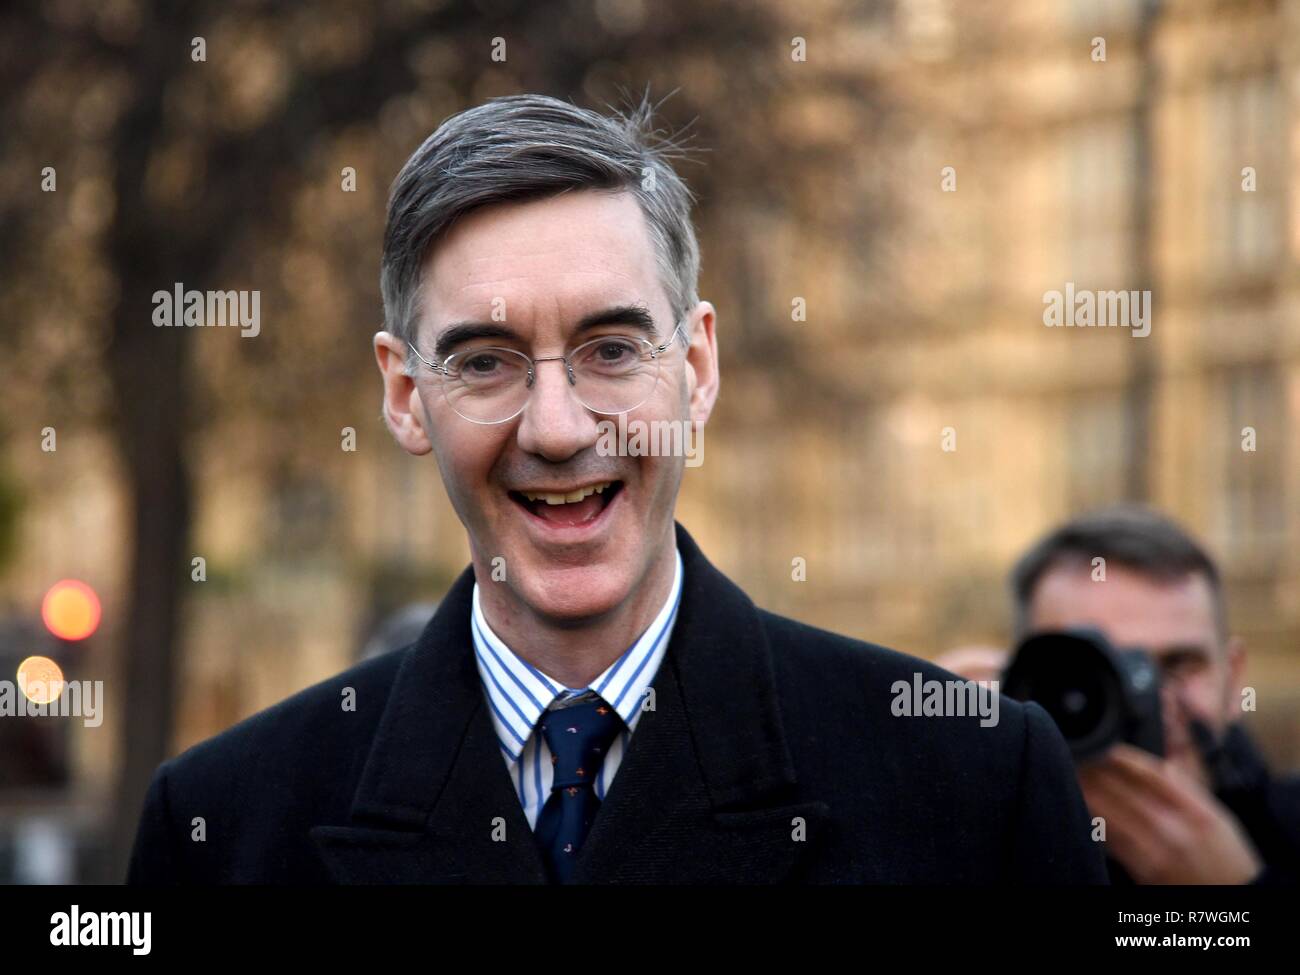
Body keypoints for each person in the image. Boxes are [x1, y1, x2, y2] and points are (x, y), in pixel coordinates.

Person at [127, 93, 1105, 884]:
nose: (557, 429)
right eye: (485, 362)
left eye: (609, 348)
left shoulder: (976, 785)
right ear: (403, 395)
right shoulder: (224, 825)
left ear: (699, 366)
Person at [939, 506, 1300, 884]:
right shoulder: (973, 842)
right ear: (1024, 681)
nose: (1145, 698)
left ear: (1234, 677)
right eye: (1094, 669)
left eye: (1178, 664)